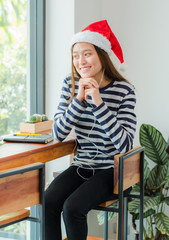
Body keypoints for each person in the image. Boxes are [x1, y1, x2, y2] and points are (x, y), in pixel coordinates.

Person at [45, 20, 137, 240]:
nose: (80, 61)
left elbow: (124, 145)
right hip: (82, 166)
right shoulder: (70, 84)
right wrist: (78, 100)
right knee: (48, 201)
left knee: (72, 208)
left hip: (113, 172)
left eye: (87, 54)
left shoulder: (124, 90)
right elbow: (58, 133)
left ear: (102, 55)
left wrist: (98, 103)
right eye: (76, 55)